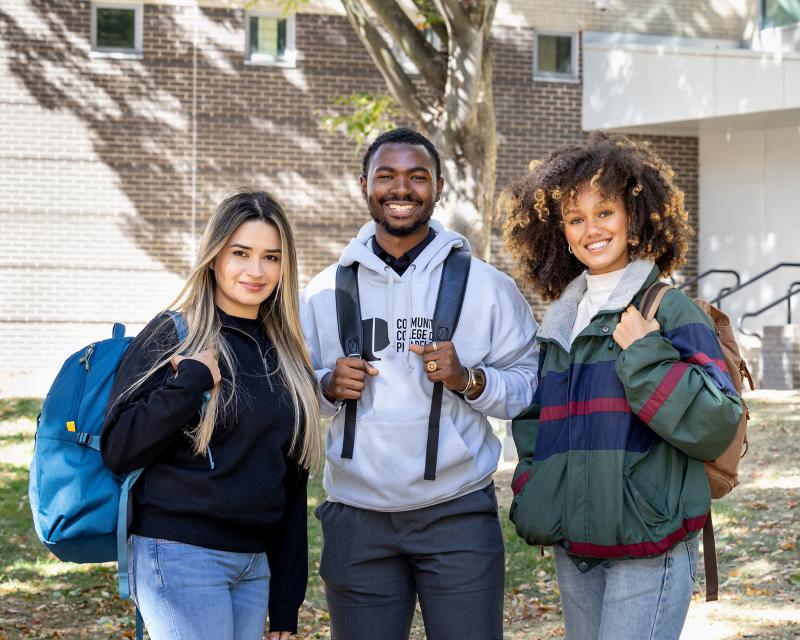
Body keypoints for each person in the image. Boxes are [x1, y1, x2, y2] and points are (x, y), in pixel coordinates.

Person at [500, 133, 744, 640]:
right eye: (575, 219)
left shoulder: (667, 308)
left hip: (650, 542)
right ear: (560, 234)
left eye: (604, 212)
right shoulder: (561, 320)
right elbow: (535, 423)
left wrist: (647, 355)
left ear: (634, 219)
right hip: (577, 545)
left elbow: (718, 422)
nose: (591, 229)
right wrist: (535, 486)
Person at [300, 127, 539, 640]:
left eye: (416, 176)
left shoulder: (488, 287)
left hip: (457, 514)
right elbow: (290, 394)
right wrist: (324, 385)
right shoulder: (320, 292)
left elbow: (527, 385)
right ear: (365, 184)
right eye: (386, 176)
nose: (400, 189)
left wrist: (469, 380)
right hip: (356, 518)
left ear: (438, 186)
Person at [101, 189, 322, 640]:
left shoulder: (287, 355)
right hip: (180, 555)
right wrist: (191, 382)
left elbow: (290, 485)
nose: (256, 271)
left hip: (253, 567)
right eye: (240, 253)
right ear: (215, 254)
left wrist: (286, 602)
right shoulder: (175, 333)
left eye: (271, 257)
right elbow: (120, 447)